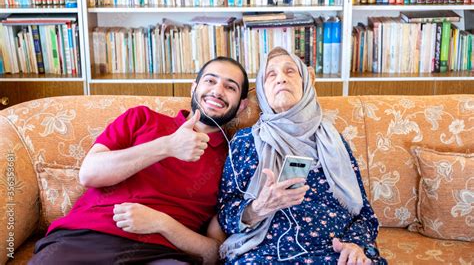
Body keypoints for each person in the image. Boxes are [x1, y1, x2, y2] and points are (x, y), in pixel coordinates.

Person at [29, 57, 249, 265]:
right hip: (87, 234)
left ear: (241, 105)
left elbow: (213, 253)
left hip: (164, 253)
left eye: (230, 87)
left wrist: (161, 223)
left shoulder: (235, 159)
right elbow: (89, 173)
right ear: (194, 88)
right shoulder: (142, 118)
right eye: (210, 80)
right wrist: (167, 146)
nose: (218, 91)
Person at [218, 47, 386, 264]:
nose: (281, 79)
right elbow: (225, 215)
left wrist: (355, 244)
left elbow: (364, 213)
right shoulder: (245, 141)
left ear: (306, 82)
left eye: (290, 72)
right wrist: (258, 208)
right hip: (266, 254)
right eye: (271, 75)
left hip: (334, 253)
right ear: (261, 89)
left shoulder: (333, 140)